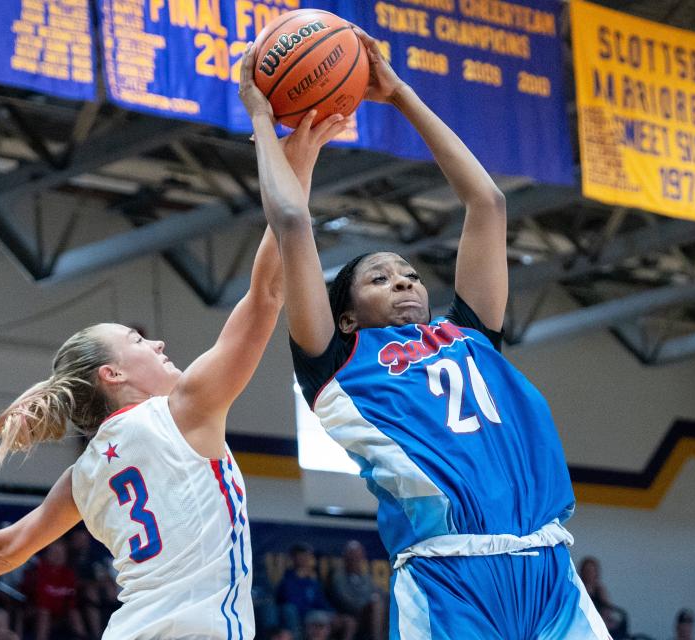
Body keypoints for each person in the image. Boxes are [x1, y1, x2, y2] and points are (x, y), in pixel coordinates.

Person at [0, 116, 347, 640]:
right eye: (139, 341)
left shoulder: (86, 473)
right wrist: (298, 158)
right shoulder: (184, 410)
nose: (159, 344)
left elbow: (4, 549)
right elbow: (268, 292)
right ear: (113, 373)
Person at [238, 27, 612, 640]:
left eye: (410, 275)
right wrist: (261, 118)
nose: (405, 282)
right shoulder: (338, 360)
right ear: (348, 313)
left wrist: (401, 94)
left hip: (547, 568)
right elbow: (290, 222)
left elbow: (487, 203)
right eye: (380, 278)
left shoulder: (470, 333)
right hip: (448, 579)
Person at [329, 540, 385, 640]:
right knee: (375, 604)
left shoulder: (365, 577)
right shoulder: (338, 576)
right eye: (352, 556)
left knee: (379, 603)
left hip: (367, 615)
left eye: (358, 556)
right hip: (348, 613)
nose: (355, 559)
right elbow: (344, 600)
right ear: (346, 558)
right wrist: (365, 603)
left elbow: (378, 592)